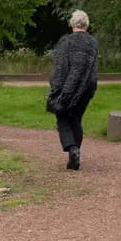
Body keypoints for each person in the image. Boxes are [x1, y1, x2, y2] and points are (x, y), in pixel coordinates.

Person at [46, 10, 99, 171]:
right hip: (87, 88)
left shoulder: (65, 42)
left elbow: (60, 68)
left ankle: (72, 149)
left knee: (62, 117)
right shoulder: (93, 43)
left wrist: (57, 88)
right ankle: (75, 153)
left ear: (72, 24)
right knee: (76, 119)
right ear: (86, 25)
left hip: (66, 87)